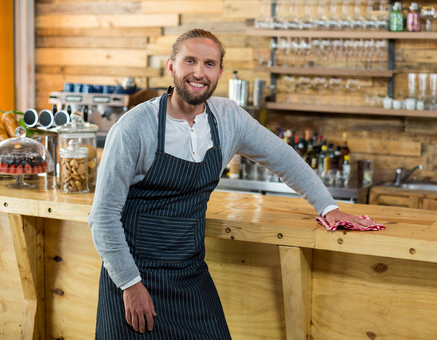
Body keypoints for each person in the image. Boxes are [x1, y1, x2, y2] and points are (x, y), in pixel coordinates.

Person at [88, 28, 375, 339]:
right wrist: (130, 285)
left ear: (220, 72)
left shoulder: (228, 118)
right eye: (190, 61)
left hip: (189, 273)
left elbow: (282, 157)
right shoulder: (133, 128)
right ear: (171, 67)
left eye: (209, 64)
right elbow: (103, 217)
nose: (199, 73)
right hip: (133, 277)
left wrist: (327, 205)